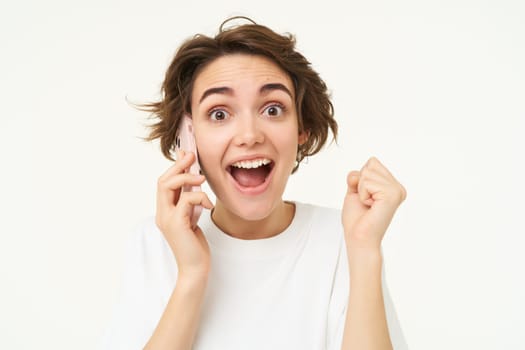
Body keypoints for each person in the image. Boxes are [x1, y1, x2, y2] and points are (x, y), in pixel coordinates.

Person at [101, 16, 408, 350]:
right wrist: (191, 276)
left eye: (273, 109)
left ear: (301, 129)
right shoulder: (155, 245)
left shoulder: (346, 239)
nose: (249, 136)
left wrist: (364, 252)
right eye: (219, 114)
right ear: (189, 138)